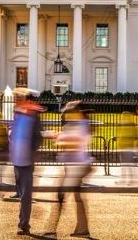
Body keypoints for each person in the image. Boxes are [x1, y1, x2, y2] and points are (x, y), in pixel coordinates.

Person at [44, 101, 93, 239]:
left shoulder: (82, 125)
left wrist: (58, 137)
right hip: (74, 166)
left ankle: (52, 230)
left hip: (76, 167)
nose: (67, 114)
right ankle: (83, 229)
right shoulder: (79, 123)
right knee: (77, 197)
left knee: (60, 196)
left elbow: (76, 141)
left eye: (70, 111)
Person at [9, 88, 44, 236]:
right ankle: (23, 222)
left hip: (26, 161)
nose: (17, 102)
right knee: (22, 193)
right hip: (16, 160)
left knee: (26, 195)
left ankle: (24, 225)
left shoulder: (34, 118)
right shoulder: (18, 115)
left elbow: (38, 138)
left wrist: (31, 152)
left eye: (20, 99)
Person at [116, 111, 137, 185]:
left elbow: (134, 135)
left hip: (127, 146)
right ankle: (124, 179)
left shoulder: (130, 124)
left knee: (127, 164)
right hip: (124, 146)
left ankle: (129, 179)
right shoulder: (123, 124)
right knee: (125, 164)